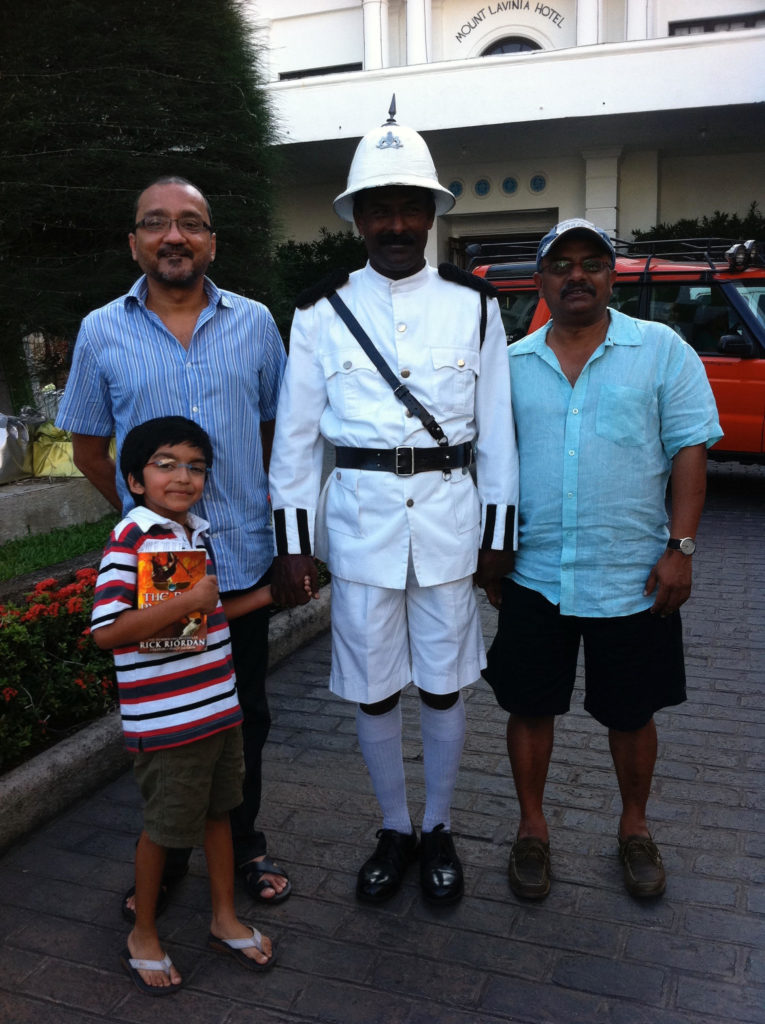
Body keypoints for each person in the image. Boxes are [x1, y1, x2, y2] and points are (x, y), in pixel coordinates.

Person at [268, 102, 519, 906]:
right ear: (358, 219)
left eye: (411, 205)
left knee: (443, 683)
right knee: (374, 686)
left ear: (431, 213)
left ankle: (438, 827)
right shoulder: (317, 311)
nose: (397, 221)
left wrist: (498, 536)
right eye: (381, 207)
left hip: (449, 521)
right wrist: (293, 544)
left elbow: (499, 437)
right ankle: (392, 827)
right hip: (362, 523)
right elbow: (298, 441)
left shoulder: (474, 305)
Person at [55, 176, 290, 913]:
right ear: (135, 242)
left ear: (211, 241)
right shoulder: (102, 330)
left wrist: (287, 537)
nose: (174, 236)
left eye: (190, 223)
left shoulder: (254, 323)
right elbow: (90, 446)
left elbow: (277, 435)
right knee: (165, 725)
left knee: (240, 714)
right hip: (157, 583)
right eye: (156, 224)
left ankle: (243, 843)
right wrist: (149, 527)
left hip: (243, 559)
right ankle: (171, 855)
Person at [484, 218, 722, 901]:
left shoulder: (660, 351)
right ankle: (532, 829)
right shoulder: (509, 364)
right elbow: (489, 466)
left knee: (631, 713)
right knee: (529, 708)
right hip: (534, 574)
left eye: (591, 263)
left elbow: (688, 451)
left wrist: (680, 549)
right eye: (561, 265)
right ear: (541, 282)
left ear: (610, 277)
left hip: (634, 574)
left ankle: (634, 828)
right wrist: (491, 552)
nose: (576, 275)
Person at [91, 417, 277, 995]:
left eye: (196, 467)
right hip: (169, 722)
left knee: (220, 813)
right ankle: (143, 934)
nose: (184, 476)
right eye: (166, 464)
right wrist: (193, 599)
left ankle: (223, 918)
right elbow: (108, 631)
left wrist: (276, 593)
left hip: (218, 708)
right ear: (135, 479)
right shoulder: (134, 537)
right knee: (165, 830)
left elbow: (200, 624)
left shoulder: (192, 534)